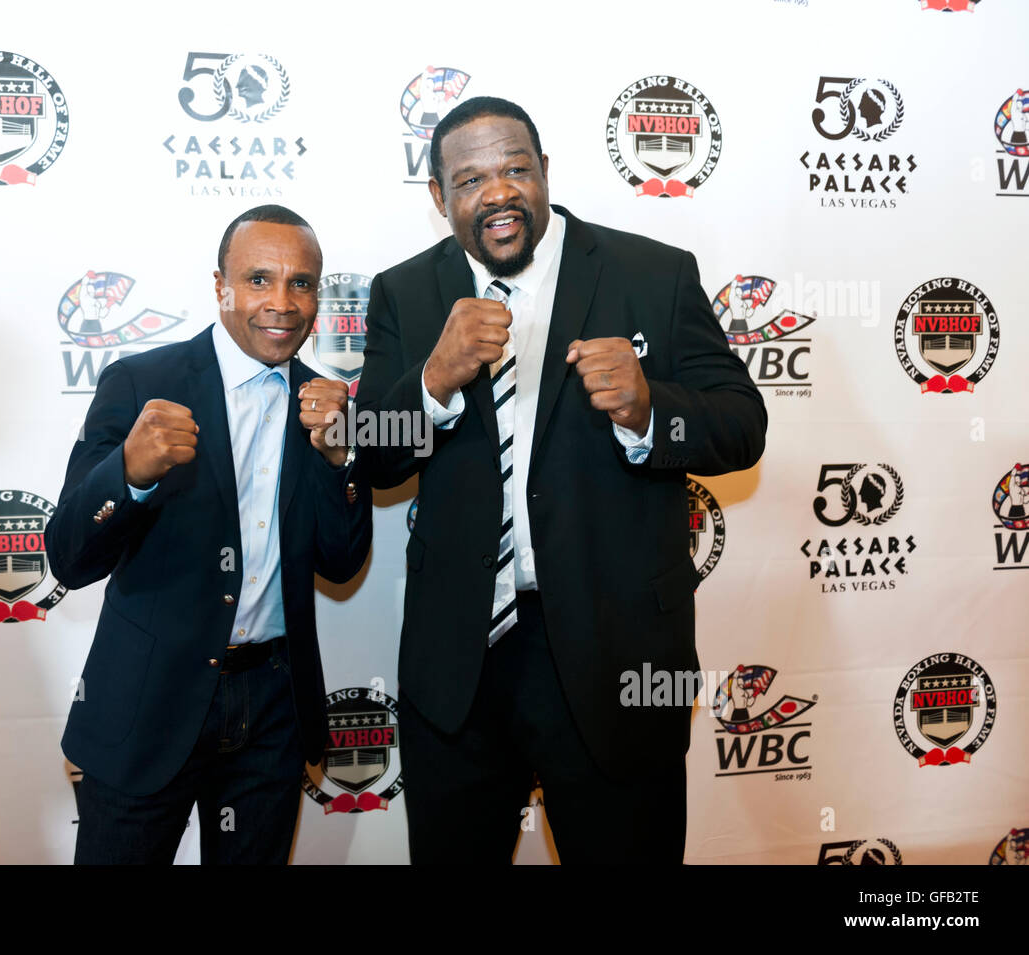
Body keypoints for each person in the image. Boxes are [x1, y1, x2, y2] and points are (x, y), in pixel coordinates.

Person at [355, 97, 766, 863]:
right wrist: (434, 380)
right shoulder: (404, 293)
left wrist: (650, 409)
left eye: (516, 168)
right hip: (460, 668)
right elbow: (375, 458)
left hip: (621, 655)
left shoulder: (653, 273)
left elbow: (742, 426)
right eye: (471, 179)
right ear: (440, 199)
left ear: (545, 172)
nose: (499, 192)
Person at [47, 204, 372, 865]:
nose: (281, 302)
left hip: (273, 710)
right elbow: (69, 556)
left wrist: (342, 462)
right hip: (148, 701)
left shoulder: (327, 402)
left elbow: (341, 564)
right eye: (259, 279)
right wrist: (128, 475)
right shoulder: (143, 382)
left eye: (301, 283)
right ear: (220, 285)